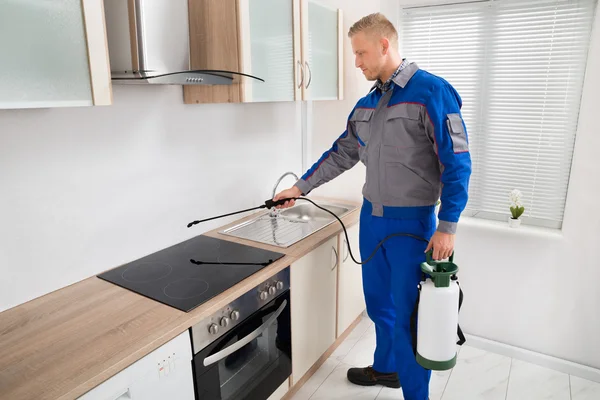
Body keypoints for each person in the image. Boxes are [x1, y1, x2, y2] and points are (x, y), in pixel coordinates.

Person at [273, 12, 471, 400]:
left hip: (412, 227)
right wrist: (299, 187)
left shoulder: (431, 91)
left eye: (361, 53)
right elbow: (342, 152)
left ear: (384, 45)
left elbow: (457, 162)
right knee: (379, 307)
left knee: (410, 321)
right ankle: (386, 369)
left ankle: (417, 396)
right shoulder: (368, 104)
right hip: (372, 222)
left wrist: (447, 226)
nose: (357, 62)